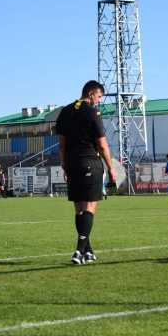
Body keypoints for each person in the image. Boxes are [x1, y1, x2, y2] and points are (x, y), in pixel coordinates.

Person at [56, 80, 116, 265]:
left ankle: (88, 251)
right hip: (90, 162)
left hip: (72, 164)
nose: (99, 101)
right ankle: (79, 250)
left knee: (79, 209)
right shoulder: (92, 111)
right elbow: (102, 144)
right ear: (91, 93)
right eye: (99, 97)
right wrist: (111, 168)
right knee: (90, 207)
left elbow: (62, 143)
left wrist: (64, 165)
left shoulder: (65, 111)